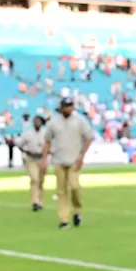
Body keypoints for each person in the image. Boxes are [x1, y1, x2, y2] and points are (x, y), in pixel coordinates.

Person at [42, 97, 94, 229]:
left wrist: (82, 156)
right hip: (58, 160)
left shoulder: (80, 121)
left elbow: (89, 137)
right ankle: (63, 219)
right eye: (66, 106)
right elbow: (47, 141)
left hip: (74, 160)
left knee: (75, 187)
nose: (68, 108)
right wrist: (44, 160)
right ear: (62, 108)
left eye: (70, 106)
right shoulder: (54, 122)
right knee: (61, 191)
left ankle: (77, 210)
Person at [16, 115, 48, 211]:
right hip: (31, 159)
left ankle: (40, 201)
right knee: (34, 179)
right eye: (35, 121)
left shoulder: (46, 133)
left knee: (41, 181)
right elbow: (20, 145)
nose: (37, 123)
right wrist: (27, 151)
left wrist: (46, 153)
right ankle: (35, 202)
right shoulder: (28, 134)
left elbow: (51, 145)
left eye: (38, 121)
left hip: (42, 159)